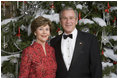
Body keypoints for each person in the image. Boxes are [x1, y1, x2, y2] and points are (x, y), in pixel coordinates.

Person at [50, 7, 102, 78]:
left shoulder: (90, 39)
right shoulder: (53, 42)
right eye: (65, 18)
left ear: (76, 20)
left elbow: (96, 68)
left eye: (71, 18)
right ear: (60, 21)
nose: (68, 21)